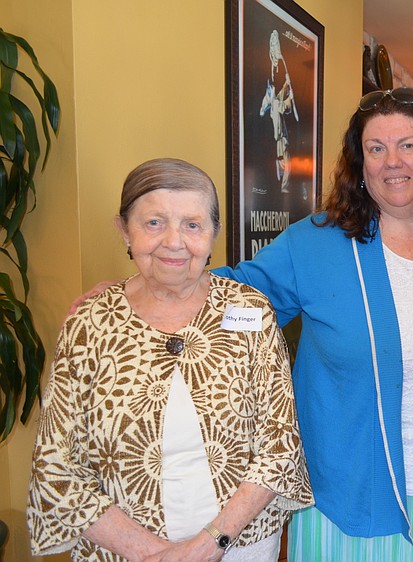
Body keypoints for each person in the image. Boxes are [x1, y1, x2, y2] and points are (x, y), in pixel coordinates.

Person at [216, 86, 413, 561]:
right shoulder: (315, 244)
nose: (392, 161)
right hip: (353, 504)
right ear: (360, 164)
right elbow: (230, 298)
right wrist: (142, 293)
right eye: (376, 148)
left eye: (408, 145)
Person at [28, 158, 313, 561]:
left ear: (214, 232)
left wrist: (208, 545)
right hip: (119, 551)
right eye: (154, 223)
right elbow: (57, 467)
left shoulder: (252, 312)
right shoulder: (88, 325)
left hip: (240, 546)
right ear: (124, 230)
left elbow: (279, 448)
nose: (174, 242)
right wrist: (150, 553)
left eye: (192, 225)